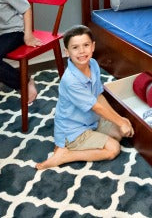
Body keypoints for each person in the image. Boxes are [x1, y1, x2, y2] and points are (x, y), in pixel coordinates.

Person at [36, 25, 134, 170]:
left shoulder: (93, 64)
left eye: (86, 45)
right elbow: (96, 107)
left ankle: (91, 141)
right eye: (75, 48)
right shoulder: (71, 80)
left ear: (93, 47)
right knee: (113, 149)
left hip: (91, 121)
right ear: (67, 51)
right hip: (73, 130)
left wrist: (120, 121)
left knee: (123, 126)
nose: (82, 51)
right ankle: (66, 155)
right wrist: (119, 122)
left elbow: (99, 97)